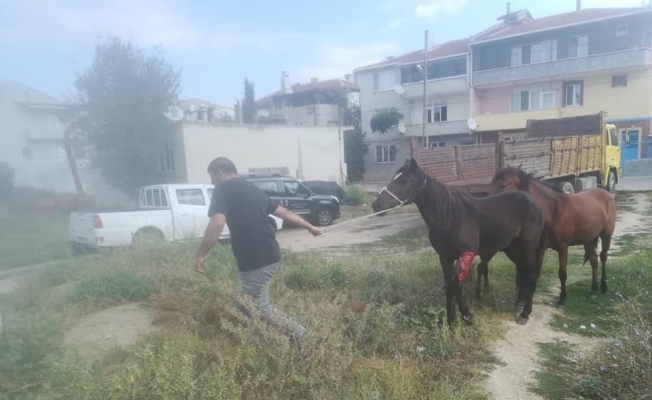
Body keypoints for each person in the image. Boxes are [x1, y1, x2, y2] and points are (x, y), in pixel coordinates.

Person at [195, 157, 322, 340]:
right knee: (244, 304)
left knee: (260, 309)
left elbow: (217, 225)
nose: (212, 183)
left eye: (212, 178)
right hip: (259, 257)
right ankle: (260, 340)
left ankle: (304, 337)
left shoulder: (223, 189)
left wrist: (202, 255)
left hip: (258, 260)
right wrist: (309, 227)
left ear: (220, 174)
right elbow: (283, 212)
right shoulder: (251, 188)